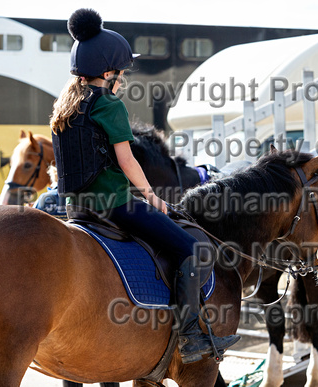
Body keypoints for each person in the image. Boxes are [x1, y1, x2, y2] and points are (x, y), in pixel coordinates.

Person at [50, 8, 239, 365]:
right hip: (115, 205)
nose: (122, 79)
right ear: (108, 73)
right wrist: (151, 195)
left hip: (76, 208)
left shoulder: (65, 105)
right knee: (190, 249)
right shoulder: (107, 104)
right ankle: (191, 335)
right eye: (120, 73)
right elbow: (126, 160)